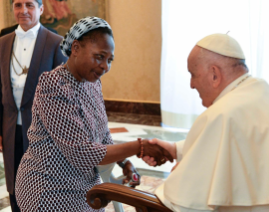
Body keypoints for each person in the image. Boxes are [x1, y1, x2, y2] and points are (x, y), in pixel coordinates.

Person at [15, 16, 173, 212]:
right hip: (48, 189)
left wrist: (124, 161)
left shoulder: (93, 84)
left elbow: (103, 136)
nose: (105, 67)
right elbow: (81, 152)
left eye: (110, 60)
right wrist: (139, 146)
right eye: (99, 56)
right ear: (75, 48)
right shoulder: (54, 85)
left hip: (85, 187)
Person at [143, 33, 269, 211]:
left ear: (214, 74)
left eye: (193, 74)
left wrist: (175, 181)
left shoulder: (223, 113)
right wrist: (176, 150)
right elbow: (238, 143)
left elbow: (182, 202)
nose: (191, 84)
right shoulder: (265, 93)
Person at [0, 0, 67, 211]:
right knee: (14, 188)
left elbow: (64, 96)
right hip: (11, 128)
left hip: (44, 133)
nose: (23, 11)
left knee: (40, 191)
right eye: (18, 5)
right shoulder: (2, 43)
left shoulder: (56, 43)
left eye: (29, 4)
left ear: (41, 8)